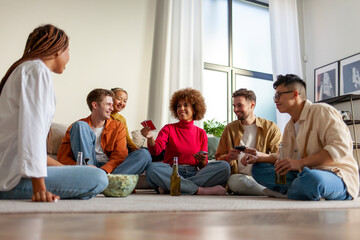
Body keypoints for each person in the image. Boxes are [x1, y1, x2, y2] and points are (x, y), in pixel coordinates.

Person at [0, 24, 108, 202]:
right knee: (98, 178)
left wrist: (67, 170)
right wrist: (39, 188)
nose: (69, 58)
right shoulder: (37, 71)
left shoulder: (26, 69)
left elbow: (28, 145)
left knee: (88, 175)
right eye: (68, 51)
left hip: (9, 174)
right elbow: (31, 131)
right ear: (58, 50)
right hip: (11, 181)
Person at [248, 74, 359, 200]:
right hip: (302, 174)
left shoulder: (323, 111)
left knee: (312, 179)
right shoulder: (289, 126)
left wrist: (300, 163)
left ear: (295, 94)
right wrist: (260, 157)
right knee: (259, 169)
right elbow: (285, 159)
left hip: (335, 175)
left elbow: (340, 148)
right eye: (275, 96)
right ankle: (300, 190)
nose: (275, 100)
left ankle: (292, 190)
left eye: (279, 95)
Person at [142, 88, 230, 195]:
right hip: (171, 171)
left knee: (224, 167)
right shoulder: (168, 128)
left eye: (185, 105)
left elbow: (203, 166)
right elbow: (156, 151)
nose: (181, 109)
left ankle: (173, 186)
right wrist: (150, 138)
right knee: (152, 169)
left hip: (194, 173)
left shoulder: (201, 133)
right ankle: (199, 190)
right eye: (178, 106)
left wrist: (202, 160)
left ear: (195, 109)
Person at [57, 88, 151, 175]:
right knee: (79, 125)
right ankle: (90, 174)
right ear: (95, 105)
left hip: (111, 170)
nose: (112, 108)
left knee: (144, 154)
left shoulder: (118, 126)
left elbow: (120, 156)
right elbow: (63, 157)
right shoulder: (78, 127)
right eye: (108, 104)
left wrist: (103, 171)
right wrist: (79, 166)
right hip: (87, 167)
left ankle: (103, 180)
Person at [215, 88, 281, 195]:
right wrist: (228, 157)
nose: (235, 109)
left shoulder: (271, 128)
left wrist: (258, 157)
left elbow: (279, 155)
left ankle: (267, 190)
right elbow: (219, 158)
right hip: (239, 176)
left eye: (239, 105)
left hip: (262, 174)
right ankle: (268, 192)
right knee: (234, 182)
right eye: (234, 106)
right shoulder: (230, 129)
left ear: (252, 105)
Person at [110, 88, 139, 152]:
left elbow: (127, 137)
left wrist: (134, 148)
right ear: (110, 99)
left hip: (126, 146)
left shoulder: (122, 119)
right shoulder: (104, 116)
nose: (121, 103)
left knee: (158, 152)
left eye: (125, 101)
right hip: (116, 147)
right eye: (119, 99)